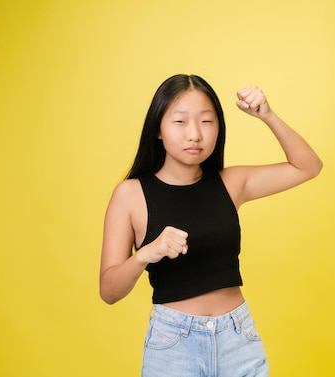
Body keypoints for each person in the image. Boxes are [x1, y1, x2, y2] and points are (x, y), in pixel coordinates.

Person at [99, 74, 322, 376]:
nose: (195, 134)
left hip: (238, 338)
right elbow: (109, 291)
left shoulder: (231, 183)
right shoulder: (130, 195)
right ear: (159, 130)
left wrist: (267, 115)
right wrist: (145, 254)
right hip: (173, 346)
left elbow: (308, 166)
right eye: (180, 122)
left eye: (206, 122)